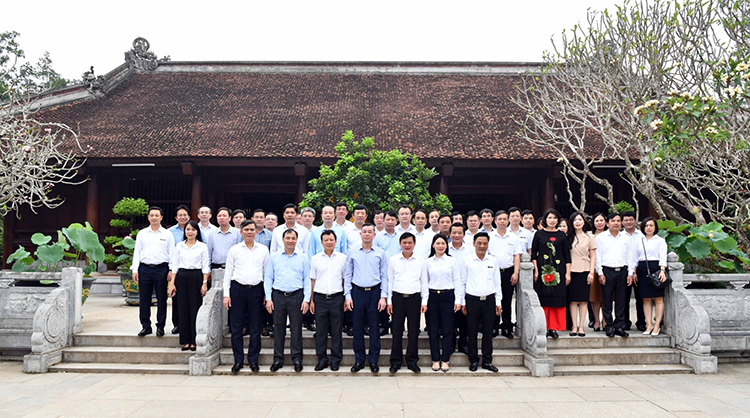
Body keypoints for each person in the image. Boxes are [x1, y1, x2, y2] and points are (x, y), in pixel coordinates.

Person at [223, 219, 268, 374]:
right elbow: (228, 273)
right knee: (236, 327)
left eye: (252, 230)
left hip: (256, 290)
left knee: (255, 326)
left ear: (256, 232)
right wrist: (226, 294)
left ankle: (253, 360)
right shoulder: (234, 250)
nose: (249, 232)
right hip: (237, 290)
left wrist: (267, 294)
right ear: (241, 232)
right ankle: (238, 360)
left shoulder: (263, 250)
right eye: (246, 230)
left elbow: (266, 273)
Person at [264, 229, 311, 372]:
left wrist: (306, 300)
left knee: (296, 329)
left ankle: (297, 359)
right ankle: (278, 359)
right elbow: (268, 278)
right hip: (278, 295)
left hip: (296, 296)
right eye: (288, 238)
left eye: (293, 238)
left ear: (297, 240)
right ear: (283, 240)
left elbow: (307, 280)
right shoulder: (274, 257)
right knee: (278, 328)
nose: (290, 241)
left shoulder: (303, 258)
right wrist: (268, 298)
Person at [344, 223, 388, 373]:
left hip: (374, 293)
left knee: (374, 327)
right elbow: (348, 275)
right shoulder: (353, 252)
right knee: (357, 327)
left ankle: (374, 360)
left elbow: (384, 276)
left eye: (370, 232)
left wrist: (383, 296)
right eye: (365, 232)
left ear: (374, 235)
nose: (367, 234)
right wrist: (348, 296)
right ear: (360, 234)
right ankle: (359, 360)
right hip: (357, 292)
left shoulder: (380, 253)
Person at [460, 232, 502, 372]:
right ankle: (473, 360)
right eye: (479, 243)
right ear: (474, 244)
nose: (482, 246)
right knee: (471, 331)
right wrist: (462, 302)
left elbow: (497, 282)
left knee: (488, 332)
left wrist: (498, 302)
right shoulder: (467, 260)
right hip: (472, 300)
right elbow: (462, 282)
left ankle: (487, 361)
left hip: (489, 300)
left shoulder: (493, 261)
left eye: (485, 243)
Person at [387, 232, 427, 373]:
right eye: (404, 243)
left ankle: (412, 361)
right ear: (400, 244)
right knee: (396, 330)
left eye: (410, 242)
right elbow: (390, 281)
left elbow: (424, 282)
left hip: (414, 298)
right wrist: (389, 301)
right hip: (397, 298)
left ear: (414, 244)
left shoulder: (421, 261)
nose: (407, 245)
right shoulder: (393, 260)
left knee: (413, 331)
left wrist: (424, 301)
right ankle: (395, 361)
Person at [132, 206, 175, 337]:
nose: (154, 218)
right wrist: (135, 269)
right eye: (152, 215)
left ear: (161, 217)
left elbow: (172, 253)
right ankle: (146, 326)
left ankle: (160, 326)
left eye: (157, 215)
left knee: (162, 299)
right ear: (148, 217)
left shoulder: (167, 234)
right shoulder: (142, 233)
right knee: (144, 299)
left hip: (161, 269)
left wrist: (171, 270)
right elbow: (137, 252)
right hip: (145, 269)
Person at [422, 233, 462, 372]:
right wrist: (424, 301)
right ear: (433, 245)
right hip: (432, 297)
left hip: (448, 297)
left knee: (448, 329)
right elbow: (424, 283)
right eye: (438, 243)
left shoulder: (452, 261)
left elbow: (457, 281)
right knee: (433, 330)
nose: (440, 246)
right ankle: (435, 359)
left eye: (443, 243)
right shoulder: (427, 262)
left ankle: (445, 359)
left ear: (446, 245)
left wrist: (458, 300)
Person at [168, 220, 209, 351]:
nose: (190, 232)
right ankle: (185, 340)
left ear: (197, 232)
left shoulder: (202, 246)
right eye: (188, 229)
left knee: (195, 308)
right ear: (184, 231)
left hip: (196, 277)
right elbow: (175, 265)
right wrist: (172, 283)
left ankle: (194, 340)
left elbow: (205, 266)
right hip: (181, 277)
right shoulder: (179, 246)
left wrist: (204, 283)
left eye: (193, 230)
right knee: (182, 308)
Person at [531, 209, 572, 339]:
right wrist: (536, 271)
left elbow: (567, 256)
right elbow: (533, 254)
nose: (552, 220)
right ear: (545, 219)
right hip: (543, 271)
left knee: (557, 298)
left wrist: (568, 273)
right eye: (549, 218)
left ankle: (553, 328)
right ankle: (543, 326)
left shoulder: (561, 235)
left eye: (554, 218)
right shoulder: (538, 234)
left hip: (559, 271)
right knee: (543, 298)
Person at [310, 229, 346, 371]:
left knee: (337, 330)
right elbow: (313, 280)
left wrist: (345, 298)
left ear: (335, 241)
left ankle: (336, 360)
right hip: (320, 298)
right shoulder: (315, 259)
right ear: (322, 242)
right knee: (321, 331)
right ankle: (322, 359)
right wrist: (311, 300)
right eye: (326, 240)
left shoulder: (343, 258)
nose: (329, 242)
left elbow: (345, 279)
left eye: (331, 240)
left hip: (337, 297)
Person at [595, 213, 633, 338]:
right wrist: (600, 273)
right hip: (607, 271)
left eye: (618, 221)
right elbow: (598, 256)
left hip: (622, 271)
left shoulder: (626, 238)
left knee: (621, 300)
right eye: (613, 221)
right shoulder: (601, 238)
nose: (616, 223)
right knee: (607, 300)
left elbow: (630, 256)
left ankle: (619, 326)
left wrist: (630, 273)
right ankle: (609, 326)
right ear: (607, 223)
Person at [629, 217, 668, 336]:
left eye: (651, 225)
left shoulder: (660, 241)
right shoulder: (638, 241)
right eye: (646, 226)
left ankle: (657, 325)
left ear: (655, 227)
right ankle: (649, 324)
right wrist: (633, 272)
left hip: (656, 269)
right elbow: (634, 258)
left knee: (658, 298)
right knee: (645, 299)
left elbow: (663, 257)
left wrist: (662, 270)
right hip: (642, 269)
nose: (649, 228)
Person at [488, 210, 522, 339]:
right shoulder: (490, 236)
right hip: (493, 272)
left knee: (507, 300)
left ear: (508, 221)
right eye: (500, 219)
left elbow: (516, 255)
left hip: (508, 272)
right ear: (495, 221)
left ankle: (507, 326)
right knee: (494, 299)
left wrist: (516, 272)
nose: (502, 221)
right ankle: (494, 326)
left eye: (504, 219)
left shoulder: (513, 237)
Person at [566, 212, 596, 337]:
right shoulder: (567, 237)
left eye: (580, 219)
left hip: (585, 269)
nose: (577, 222)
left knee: (584, 301)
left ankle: (582, 326)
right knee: (573, 301)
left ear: (584, 222)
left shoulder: (589, 237)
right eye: (575, 220)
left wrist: (591, 272)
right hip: (571, 270)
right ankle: (574, 326)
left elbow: (593, 256)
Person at [167, 204, 191, 334]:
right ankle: (177, 324)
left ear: (189, 216)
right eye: (180, 215)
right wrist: (170, 269)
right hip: (176, 269)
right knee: (176, 298)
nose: (183, 217)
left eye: (185, 215)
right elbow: (168, 252)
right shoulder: (170, 232)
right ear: (176, 218)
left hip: (191, 269)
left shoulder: (195, 229)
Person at [448, 222, 471, 355]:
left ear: (464, 234)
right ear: (450, 234)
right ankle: (451, 344)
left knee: (464, 317)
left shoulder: (469, 250)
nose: (456, 235)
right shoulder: (445, 248)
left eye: (459, 233)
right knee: (450, 318)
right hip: (449, 287)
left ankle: (463, 343)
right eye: (454, 233)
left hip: (466, 286)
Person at [622, 210, 646, 332]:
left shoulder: (642, 236)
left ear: (635, 221)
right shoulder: (620, 236)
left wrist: (634, 272)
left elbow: (641, 255)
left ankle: (641, 322)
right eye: (626, 220)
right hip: (624, 270)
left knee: (640, 297)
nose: (628, 222)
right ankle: (625, 322)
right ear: (622, 222)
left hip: (639, 270)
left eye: (631, 219)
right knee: (623, 298)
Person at [588, 212, 608, 331]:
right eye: (597, 221)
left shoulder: (610, 235)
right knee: (595, 297)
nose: (599, 223)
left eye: (601, 220)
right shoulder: (589, 236)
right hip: (593, 269)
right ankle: (596, 320)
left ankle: (605, 319)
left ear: (606, 222)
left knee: (606, 297)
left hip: (607, 267)